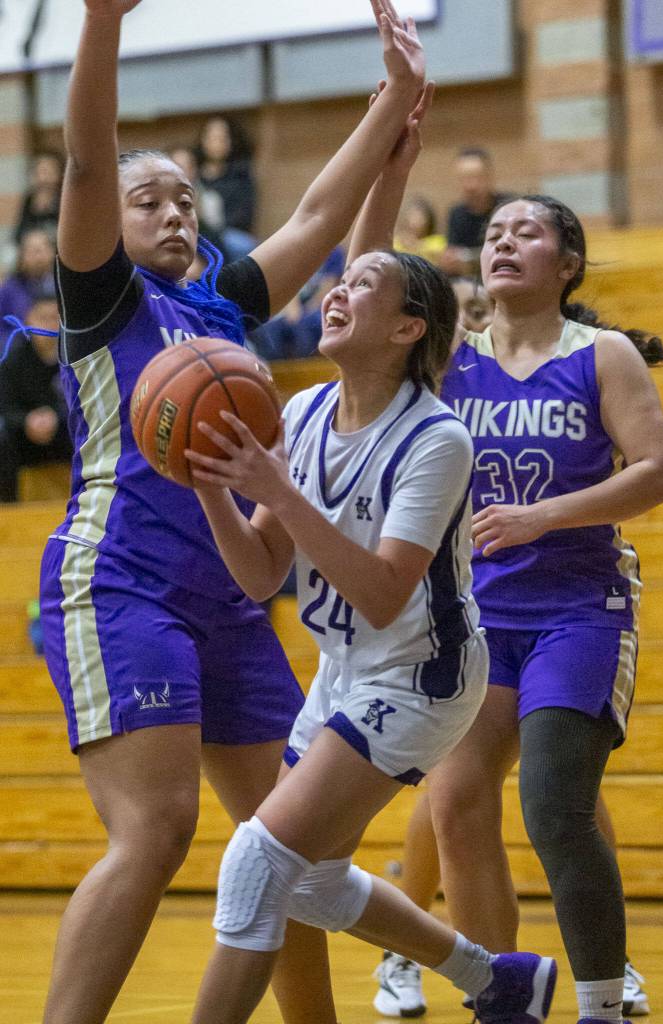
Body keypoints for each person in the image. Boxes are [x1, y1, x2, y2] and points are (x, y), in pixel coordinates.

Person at [37, 2, 440, 1022]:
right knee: (160, 825)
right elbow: (87, 167)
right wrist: (100, 24)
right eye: (148, 201)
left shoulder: (220, 305)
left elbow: (314, 217)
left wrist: (391, 97)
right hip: (121, 579)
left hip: (229, 595)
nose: (172, 212)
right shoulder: (105, 301)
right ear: (111, 224)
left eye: (183, 198)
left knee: (283, 842)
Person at [183, 198, 557, 1024]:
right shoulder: (304, 411)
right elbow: (259, 573)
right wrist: (214, 491)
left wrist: (275, 486)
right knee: (311, 882)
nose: (335, 292)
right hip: (347, 667)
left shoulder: (437, 438)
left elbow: (386, 591)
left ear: (406, 330)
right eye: (337, 281)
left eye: (362, 283)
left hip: (426, 671)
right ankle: (496, 978)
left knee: (257, 861)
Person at [375, 193, 663, 1024]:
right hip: (478, 618)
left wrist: (541, 515)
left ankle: (600, 999)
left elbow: (656, 472)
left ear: (567, 262)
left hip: (579, 609)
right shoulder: (449, 361)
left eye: (528, 231)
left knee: (554, 801)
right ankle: (502, 994)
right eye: (494, 233)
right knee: (454, 801)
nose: (505, 242)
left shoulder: (604, 354)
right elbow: (367, 280)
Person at [0, 297, 71, 503]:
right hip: (24, 435)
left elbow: (86, 405)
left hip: (64, 431)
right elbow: (6, 407)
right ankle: (7, 509)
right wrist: (27, 420)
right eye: (42, 318)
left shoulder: (75, 359)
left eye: (54, 318)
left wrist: (56, 417)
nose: (49, 325)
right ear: (29, 320)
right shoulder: (11, 359)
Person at [440, 148, 509, 278]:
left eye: (476, 177)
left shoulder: (508, 208)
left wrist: (468, 260)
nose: (470, 185)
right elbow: (453, 254)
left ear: (490, 176)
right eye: (464, 178)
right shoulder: (456, 213)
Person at [196, 115, 257, 261]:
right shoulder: (195, 176)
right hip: (198, 233)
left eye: (222, 138)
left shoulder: (241, 175)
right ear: (203, 140)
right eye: (212, 138)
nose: (217, 143)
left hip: (229, 233)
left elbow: (244, 216)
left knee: (244, 246)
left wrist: (216, 231)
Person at [0, 228, 56, 324]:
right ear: (22, 255)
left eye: (41, 250)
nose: (38, 257)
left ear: (52, 252)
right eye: (32, 251)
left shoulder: (63, 285)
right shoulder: (9, 289)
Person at [12, 151, 64, 244]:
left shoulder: (63, 200)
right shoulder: (29, 199)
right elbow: (18, 234)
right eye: (40, 172)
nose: (44, 178)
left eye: (48, 172)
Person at [393, 195, 446, 265]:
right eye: (412, 217)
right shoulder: (399, 241)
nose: (415, 222)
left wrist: (415, 245)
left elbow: (438, 252)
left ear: (428, 220)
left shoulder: (437, 240)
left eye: (420, 218)